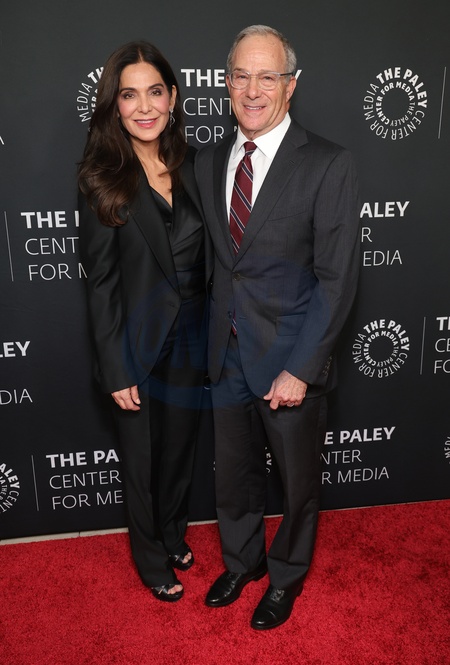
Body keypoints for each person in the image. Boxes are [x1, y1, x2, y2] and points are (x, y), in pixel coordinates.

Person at [195, 25, 360, 629]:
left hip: (290, 360)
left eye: (268, 77)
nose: (253, 90)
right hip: (225, 355)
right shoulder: (209, 161)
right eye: (241, 76)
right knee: (234, 478)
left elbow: (337, 280)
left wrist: (301, 368)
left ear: (291, 86)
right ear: (226, 83)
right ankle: (242, 562)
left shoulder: (328, 163)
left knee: (296, 484)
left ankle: (286, 577)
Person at [78, 41, 210, 602]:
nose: (144, 106)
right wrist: (115, 366)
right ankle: (150, 556)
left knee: (179, 450)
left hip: (193, 340)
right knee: (141, 459)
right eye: (129, 95)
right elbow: (102, 283)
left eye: (154, 92)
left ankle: (173, 533)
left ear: (173, 96)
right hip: (135, 345)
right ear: (115, 105)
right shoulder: (102, 178)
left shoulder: (197, 165)